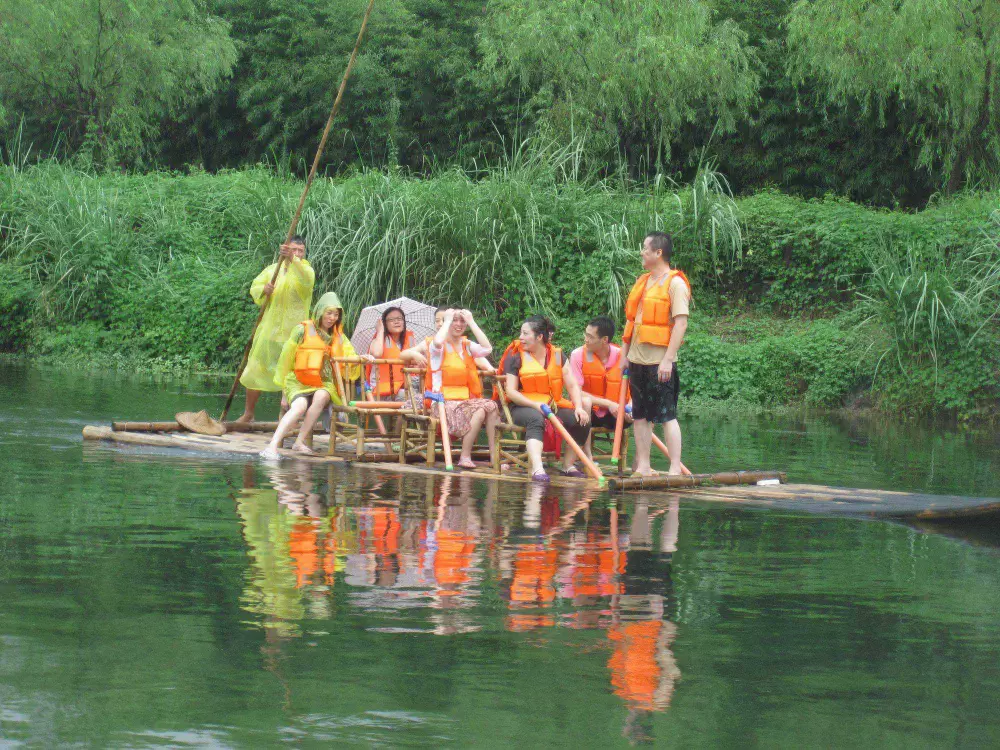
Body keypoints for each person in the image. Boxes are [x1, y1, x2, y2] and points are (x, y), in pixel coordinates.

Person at [260, 292, 368, 459]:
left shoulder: (338, 337)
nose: (332, 318)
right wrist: (283, 394)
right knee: (300, 406)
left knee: (322, 396)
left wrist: (363, 358)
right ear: (320, 312)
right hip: (298, 380)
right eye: (329, 313)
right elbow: (286, 361)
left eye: (336, 314)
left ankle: (299, 442)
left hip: (323, 383)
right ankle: (272, 445)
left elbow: (349, 357)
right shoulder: (301, 330)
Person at [621, 231, 691, 476]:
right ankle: (643, 466)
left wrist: (668, 360)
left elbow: (680, 324)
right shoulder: (643, 281)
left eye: (645, 248)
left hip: (660, 362)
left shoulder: (675, 283)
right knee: (640, 415)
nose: (642, 252)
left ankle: (674, 468)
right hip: (637, 360)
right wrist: (624, 356)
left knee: (666, 415)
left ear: (658, 253)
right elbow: (631, 323)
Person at [401, 308, 501, 470]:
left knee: (492, 406)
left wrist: (472, 321)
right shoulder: (436, 346)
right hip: (440, 402)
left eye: (462, 321)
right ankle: (465, 456)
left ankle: (494, 457)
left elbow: (487, 348)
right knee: (481, 410)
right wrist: (447, 320)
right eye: (455, 320)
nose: (459, 324)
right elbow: (438, 342)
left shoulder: (467, 345)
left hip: (466, 402)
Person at [499, 315, 591, 482]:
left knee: (581, 420)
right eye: (521, 333)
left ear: (539, 337)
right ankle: (538, 468)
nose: (521, 338)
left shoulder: (557, 355)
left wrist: (578, 406)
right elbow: (511, 392)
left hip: (551, 405)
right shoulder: (516, 357)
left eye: (525, 334)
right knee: (535, 419)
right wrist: (535, 405)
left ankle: (568, 465)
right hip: (521, 407)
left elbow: (571, 385)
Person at [237, 236, 315, 424]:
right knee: (255, 368)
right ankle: (249, 414)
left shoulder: (305, 270)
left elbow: (306, 280)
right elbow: (255, 288)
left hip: (295, 333)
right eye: (294, 249)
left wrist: (291, 259)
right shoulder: (273, 269)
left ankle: (288, 419)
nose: (297, 253)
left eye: (300, 251)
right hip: (270, 330)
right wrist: (265, 289)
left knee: (291, 375)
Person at [570, 315, 631, 460]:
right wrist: (609, 404)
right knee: (586, 402)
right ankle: (587, 458)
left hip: (617, 414)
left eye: (590, 337)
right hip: (588, 413)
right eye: (586, 334)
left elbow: (634, 389)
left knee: (642, 412)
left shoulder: (623, 357)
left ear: (604, 340)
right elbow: (575, 391)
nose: (586, 339)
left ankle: (640, 464)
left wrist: (630, 408)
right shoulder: (577, 355)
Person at [367, 306, 415, 400]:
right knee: (412, 397)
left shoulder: (409, 339)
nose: (396, 322)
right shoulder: (378, 340)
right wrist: (380, 331)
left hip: (405, 386)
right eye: (391, 320)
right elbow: (377, 354)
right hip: (381, 389)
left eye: (399, 319)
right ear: (385, 324)